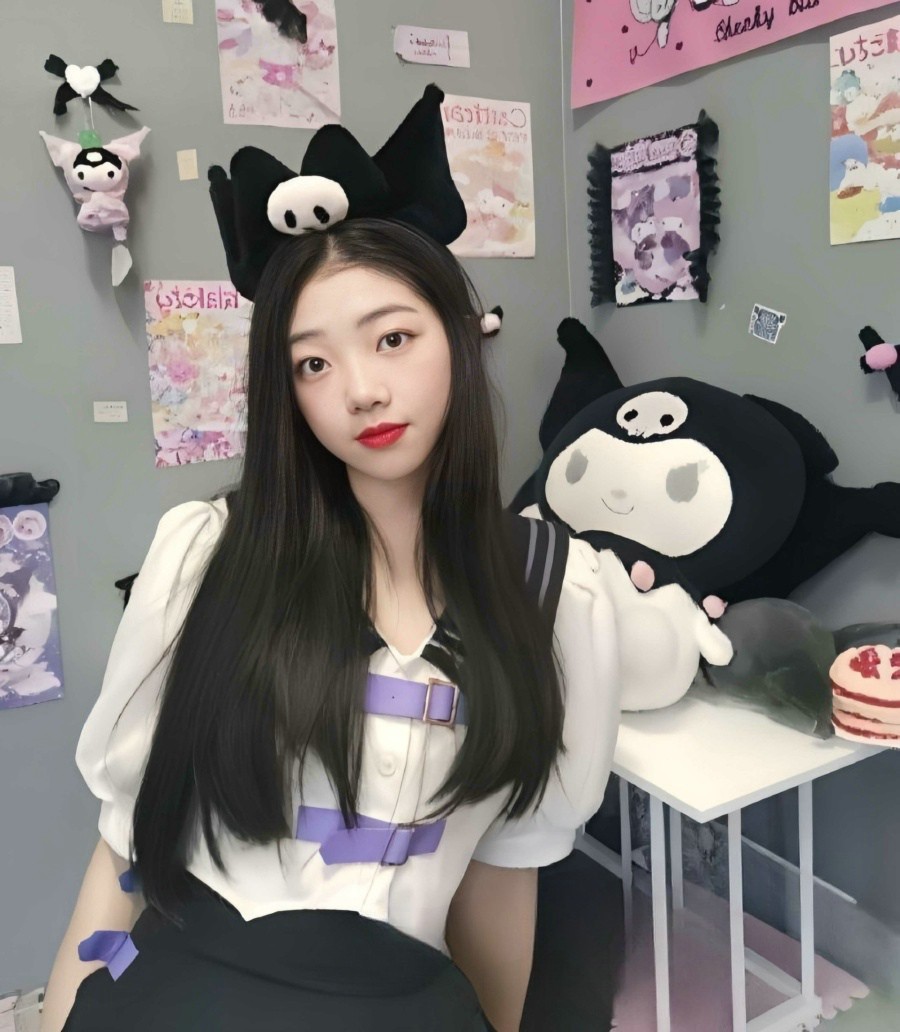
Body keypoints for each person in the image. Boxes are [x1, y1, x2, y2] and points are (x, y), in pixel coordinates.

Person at [41, 89, 622, 1032]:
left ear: (459, 333)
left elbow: (502, 877)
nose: (360, 390)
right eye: (313, 363)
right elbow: (124, 848)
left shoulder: (556, 594)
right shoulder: (208, 556)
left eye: (393, 338)